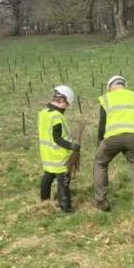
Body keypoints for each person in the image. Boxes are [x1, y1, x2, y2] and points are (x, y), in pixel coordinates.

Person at [93, 75, 134, 222]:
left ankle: (101, 201)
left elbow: (102, 125)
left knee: (100, 163)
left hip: (112, 138)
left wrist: (100, 142)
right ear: (123, 85)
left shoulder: (106, 98)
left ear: (110, 87)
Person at [37, 85, 80, 213]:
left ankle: (44, 202)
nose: (67, 107)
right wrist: (72, 146)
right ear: (62, 100)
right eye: (67, 104)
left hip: (47, 154)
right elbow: (57, 138)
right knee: (63, 181)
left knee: (48, 176)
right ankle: (65, 208)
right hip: (59, 156)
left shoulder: (44, 113)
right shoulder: (56, 116)